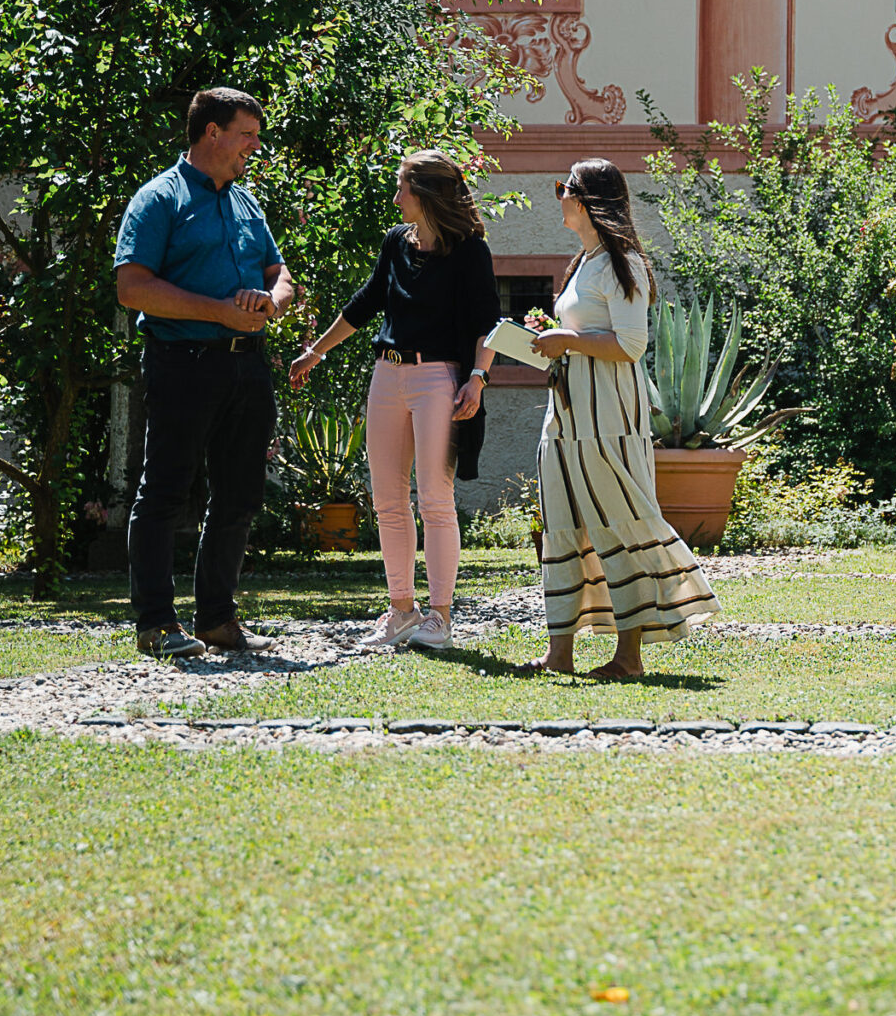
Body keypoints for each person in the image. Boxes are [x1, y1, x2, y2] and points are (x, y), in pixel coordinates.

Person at [289, 151, 501, 653]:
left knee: (434, 497)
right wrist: (315, 352)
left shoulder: (470, 250)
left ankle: (441, 617)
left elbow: (488, 323)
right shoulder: (395, 242)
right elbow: (365, 303)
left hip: (439, 378)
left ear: (424, 193)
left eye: (402, 186)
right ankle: (402, 610)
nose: (395, 196)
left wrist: (477, 378)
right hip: (388, 374)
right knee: (387, 499)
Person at [114, 88, 294, 659]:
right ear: (211, 132)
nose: (254, 147)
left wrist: (273, 299)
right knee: (164, 492)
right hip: (183, 363)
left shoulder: (245, 202)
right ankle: (155, 624)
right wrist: (217, 310)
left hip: (248, 367)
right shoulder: (158, 199)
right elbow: (132, 288)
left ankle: (217, 619)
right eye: (246, 135)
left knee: (239, 494)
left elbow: (280, 271)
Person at [530, 159, 719, 679]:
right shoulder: (583, 261)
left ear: (588, 199)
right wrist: (548, 337)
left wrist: (566, 340)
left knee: (621, 527)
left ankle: (629, 656)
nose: (559, 198)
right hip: (566, 418)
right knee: (562, 528)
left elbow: (630, 345)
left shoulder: (623, 263)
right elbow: (586, 334)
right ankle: (559, 653)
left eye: (563, 188)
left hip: (608, 418)